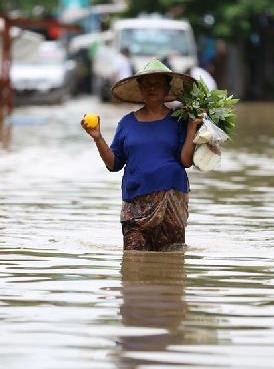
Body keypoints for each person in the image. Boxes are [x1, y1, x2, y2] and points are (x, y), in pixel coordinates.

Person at [80, 59, 201, 251]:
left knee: (171, 263)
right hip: (135, 203)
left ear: (167, 88)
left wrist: (192, 128)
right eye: (146, 84)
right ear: (140, 89)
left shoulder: (180, 119)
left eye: (157, 84)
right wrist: (98, 137)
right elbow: (114, 164)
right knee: (133, 260)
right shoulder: (127, 123)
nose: (152, 89)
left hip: (172, 199)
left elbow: (185, 161)